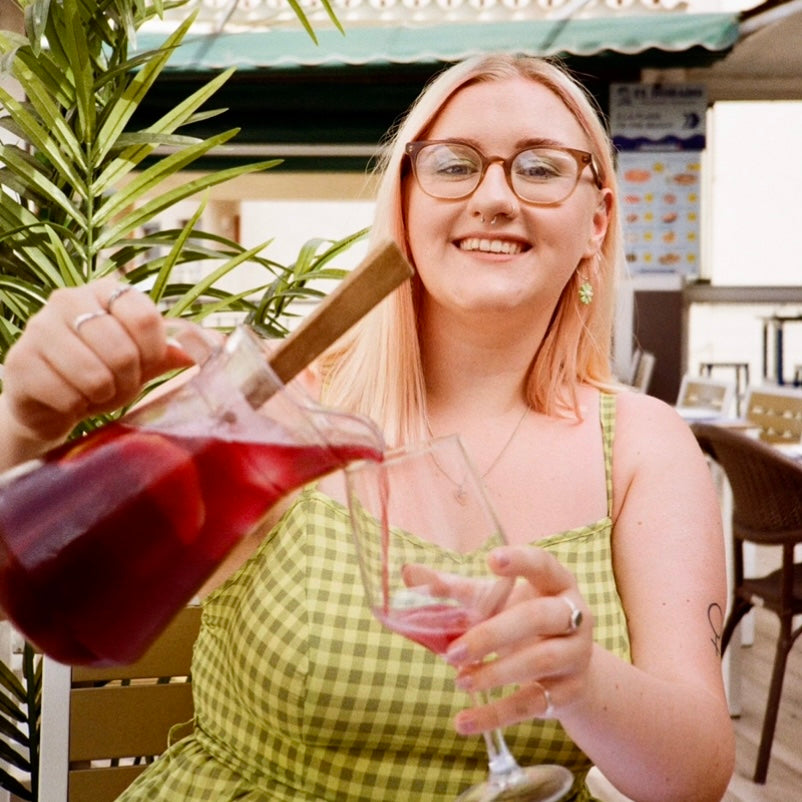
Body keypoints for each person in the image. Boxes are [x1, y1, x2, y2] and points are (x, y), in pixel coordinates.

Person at [0, 54, 734, 801]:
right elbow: (50, 591)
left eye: (541, 169)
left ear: (596, 221)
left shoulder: (644, 446)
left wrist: (581, 675)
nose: (494, 197)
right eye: (454, 165)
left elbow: (697, 775)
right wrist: (23, 420)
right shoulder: (280, 415)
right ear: (407, 206)